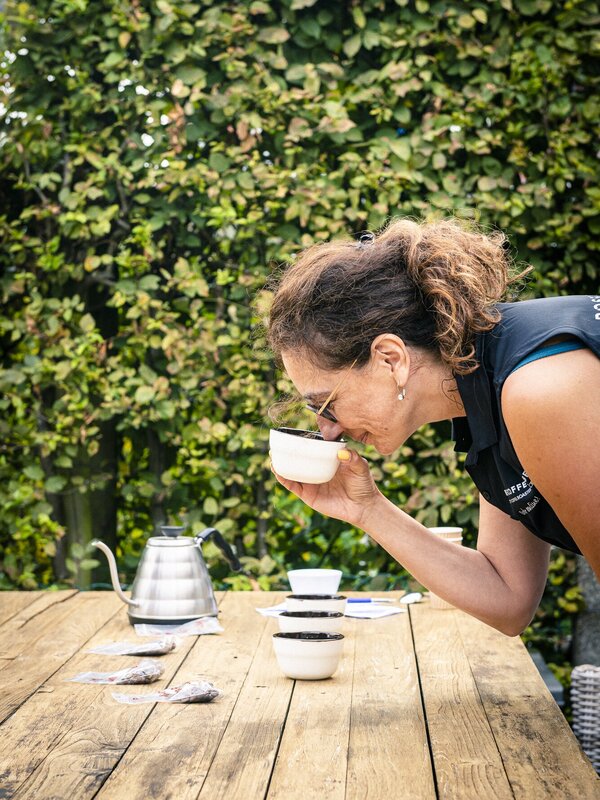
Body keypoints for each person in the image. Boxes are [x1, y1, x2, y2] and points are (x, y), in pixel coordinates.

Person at [266, 217, 600, 636]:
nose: (327, 431)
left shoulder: (539, 389)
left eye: (326, 405)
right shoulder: (483, 389)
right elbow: (509, 599)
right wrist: (368, 509)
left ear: (391, 358)